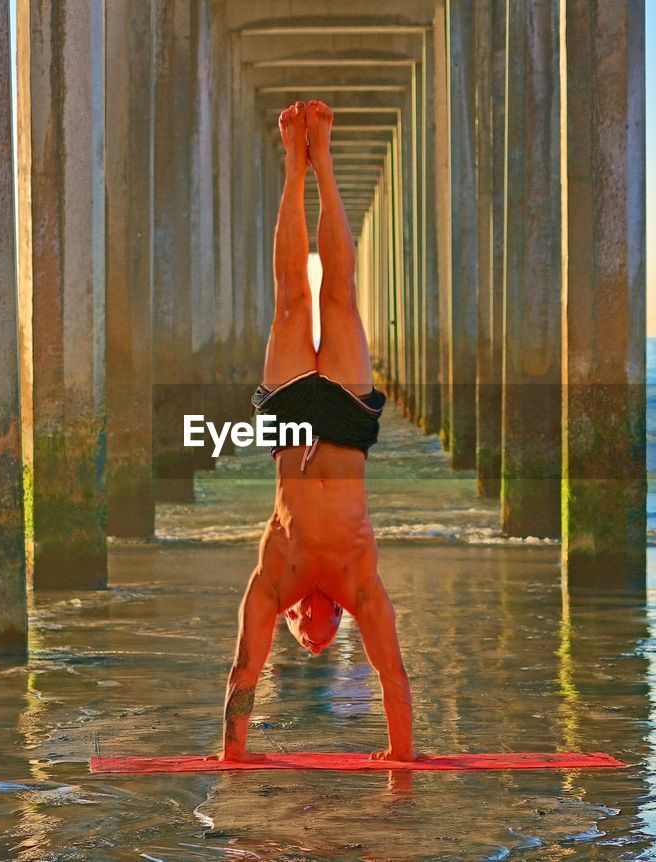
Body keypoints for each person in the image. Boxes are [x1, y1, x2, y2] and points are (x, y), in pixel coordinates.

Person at [211, 100, 418, 763]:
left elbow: (244, 673)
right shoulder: (360, 586)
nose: (308, 633)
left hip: (292, 423)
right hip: (349, 425)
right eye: (315, 636)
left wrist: (234, 751)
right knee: (340, 298)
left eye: (299, 634)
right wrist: (401, 756)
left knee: (293, 296)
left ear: (294, 615)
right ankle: (321, 160)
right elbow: (393, 677)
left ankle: (295, 166)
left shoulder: (275, 578)